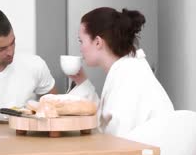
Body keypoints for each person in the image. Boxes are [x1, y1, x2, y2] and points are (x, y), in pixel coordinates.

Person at [70, 7, 174, 137]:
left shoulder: (129, 77)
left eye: (81, 41)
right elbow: (107, 120)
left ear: (97, 42)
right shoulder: (129, 68)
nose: (80, 48)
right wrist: (82, 82)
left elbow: (116, 141)